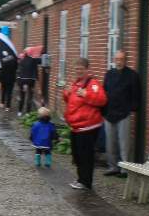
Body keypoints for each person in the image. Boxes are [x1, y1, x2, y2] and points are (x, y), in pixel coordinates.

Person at [61, 57, 106, 190]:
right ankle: (81, 178)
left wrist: (86, 94)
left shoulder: (93, 84)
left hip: (88, 126)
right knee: (77, 155)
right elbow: (71, 101)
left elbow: (102, 100)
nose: (78, 71)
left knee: (85, 155)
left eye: (80, 69)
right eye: (76, 69)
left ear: (87, 69)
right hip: (76, 126)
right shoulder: (77, 83)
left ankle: (86, 181)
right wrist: (66, 93)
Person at [102, 50, 142, 178]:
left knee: (124, 143)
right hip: (109, 112)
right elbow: (104, 92)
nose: (119, 62)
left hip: (124, 113)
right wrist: (103, 110)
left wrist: (132, 108)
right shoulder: (109, 74)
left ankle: (124, 169)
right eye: (117, 59)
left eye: (122, 59)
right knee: (110, 142)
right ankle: (113, 166)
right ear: (114, 60)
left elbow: (137, 94)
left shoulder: (133, 75)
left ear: (126, 60)